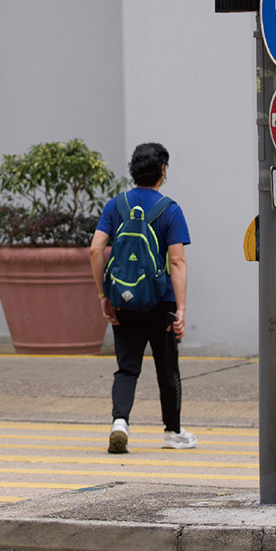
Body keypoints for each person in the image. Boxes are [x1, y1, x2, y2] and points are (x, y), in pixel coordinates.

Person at [89, 142, 196, 454]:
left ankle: (120, 422)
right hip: (160, 300)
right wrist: (181, 308)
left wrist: (104, 294)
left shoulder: (115, 206)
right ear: (162, 171)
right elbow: (177, 261)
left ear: (133, 171)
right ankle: (173, 432)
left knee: (126, 366)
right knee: (167, 367)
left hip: (123, 298)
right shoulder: (170, 210)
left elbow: (96, 250)